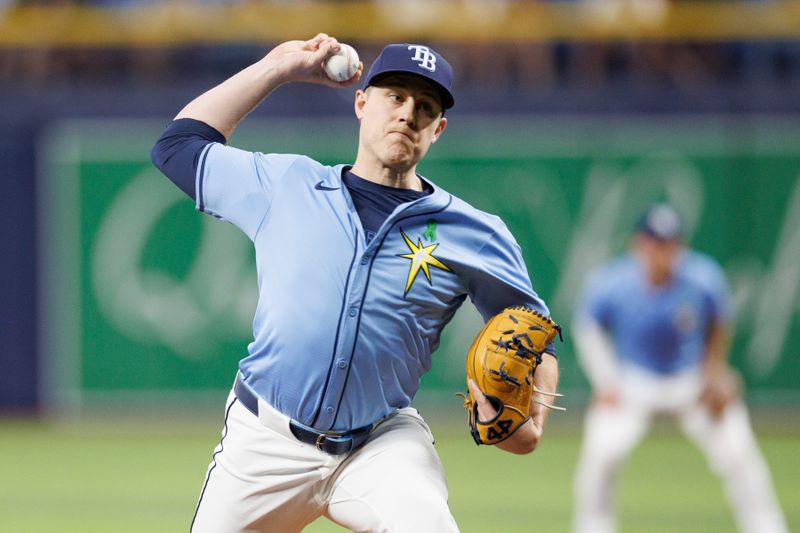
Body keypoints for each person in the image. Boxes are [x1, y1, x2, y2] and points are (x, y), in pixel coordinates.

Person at [150, 34, 560, 532]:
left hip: (381, 444)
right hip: (265, 440)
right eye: (395, 96)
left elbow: (534, 333)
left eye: (425, 106)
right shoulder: (287, 185)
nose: (408, 113)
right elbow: (177, 147)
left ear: (439, 129)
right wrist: (276, 68)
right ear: (361, 103)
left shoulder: (475, 232)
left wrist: (531, 423)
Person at [571, 204, 788, 533]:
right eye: (654, 242)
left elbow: (720, 321)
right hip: (634, 382)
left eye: (669, 243)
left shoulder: (702, 276)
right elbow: (587, 327)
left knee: (738, 450)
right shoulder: (614, 281)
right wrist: (606, 381)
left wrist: (715, 371)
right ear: (639, 244)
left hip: (690, 382)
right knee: (600, 454)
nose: (661, 251)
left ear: (680, 245)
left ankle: (767, 527)